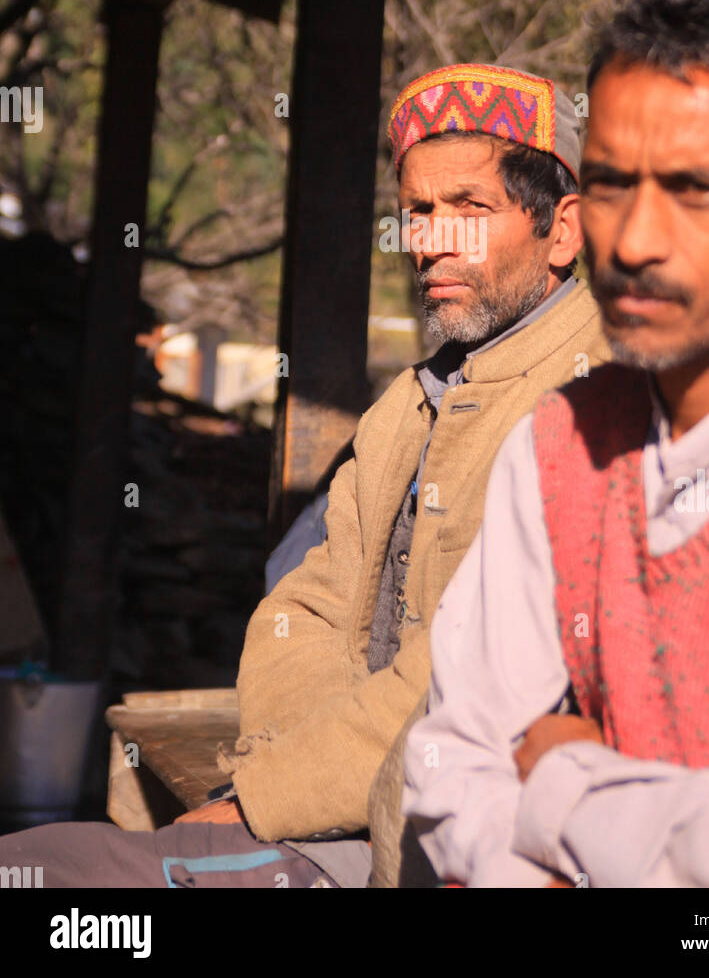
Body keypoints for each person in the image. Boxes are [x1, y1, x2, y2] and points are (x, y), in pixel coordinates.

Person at [0, 62, 607, 888]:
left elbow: (466, 673)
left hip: (444, 843)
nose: (431, 240)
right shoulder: (410, 401)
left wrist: (267, 800)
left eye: (470, 209)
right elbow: (306, 602)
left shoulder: (589, 405)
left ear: (561, 230)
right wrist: (288, 788)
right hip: (318, 807)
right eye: (419, 211)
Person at [404, 0, 709, 888]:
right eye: (613, 184)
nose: (636, 241)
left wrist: (568, 780)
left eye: (696, 190)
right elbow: (452, 765)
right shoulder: (560, 444)